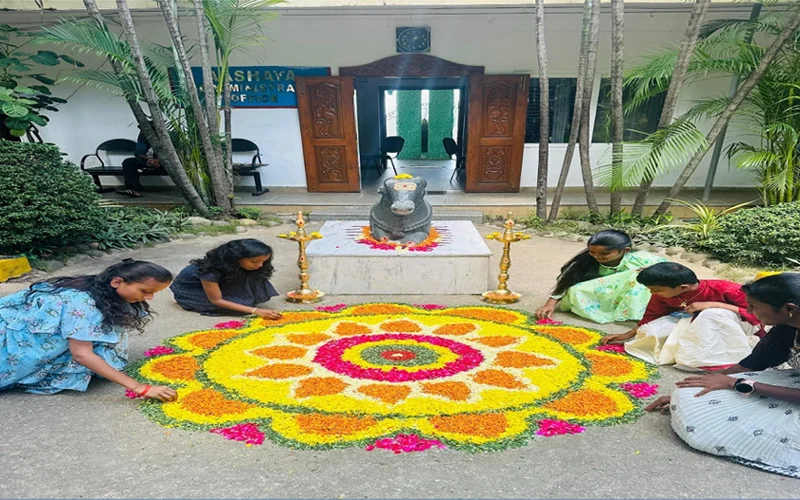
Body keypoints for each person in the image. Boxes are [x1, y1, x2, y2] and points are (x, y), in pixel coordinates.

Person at [645, 273, 800, 478]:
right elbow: (756, 362)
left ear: (790, 309)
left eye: (753, 306)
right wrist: (701, 384)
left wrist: (739, 384)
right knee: (691, 397)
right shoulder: (787, 327)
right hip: (792, 382)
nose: (749, 312)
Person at [0, 260, 177, 401]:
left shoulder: (101, 287)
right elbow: (81, 354)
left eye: (155, 293)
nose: (150, 298)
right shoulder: (84, 305)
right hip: (11, 343)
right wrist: (140, 388)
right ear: (117, 282)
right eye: (146, 291)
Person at [601, 262, 762, 369]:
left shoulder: (728, 289)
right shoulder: (663, 294)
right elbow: (651, 315)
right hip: (691, 322)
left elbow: (758, 315)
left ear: (683, 287)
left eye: (656, 289)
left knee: (712, 314)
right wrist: (627, 334)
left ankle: (719, 358)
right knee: (650, 332)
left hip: (740, 325)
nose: (652, 293)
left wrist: (714, 304)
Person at [534, 230, 667, 324]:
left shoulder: (643, 259)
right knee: (575, 290)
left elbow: (672, 273)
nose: (597, 257)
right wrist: (550, 304)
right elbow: (567, 281)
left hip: (634, 294)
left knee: (637, 276)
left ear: (625, 251)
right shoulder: (586, 260)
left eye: (604, 254)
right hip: (605, 293)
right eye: (592, 252)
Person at [171, 238, 282, 319]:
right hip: (191, 289)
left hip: (220, 282)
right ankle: (185, 299)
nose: (260, 265)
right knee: (240, 305)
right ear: (236, 258)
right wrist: (255, 311)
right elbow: (216, 300)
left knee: (249, 290)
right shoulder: (209, 271)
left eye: (264, 261)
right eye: (254, 262)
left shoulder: (242, 266)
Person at [116, 124, 166, 198]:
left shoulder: (167, 137)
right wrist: (148, 160)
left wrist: (160, 161)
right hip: (151, 161)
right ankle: (133, 189)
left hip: (168, 163)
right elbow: (138, 153)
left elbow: (177, 154)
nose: (141, 132)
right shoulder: (143, 136)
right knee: (129, 162)